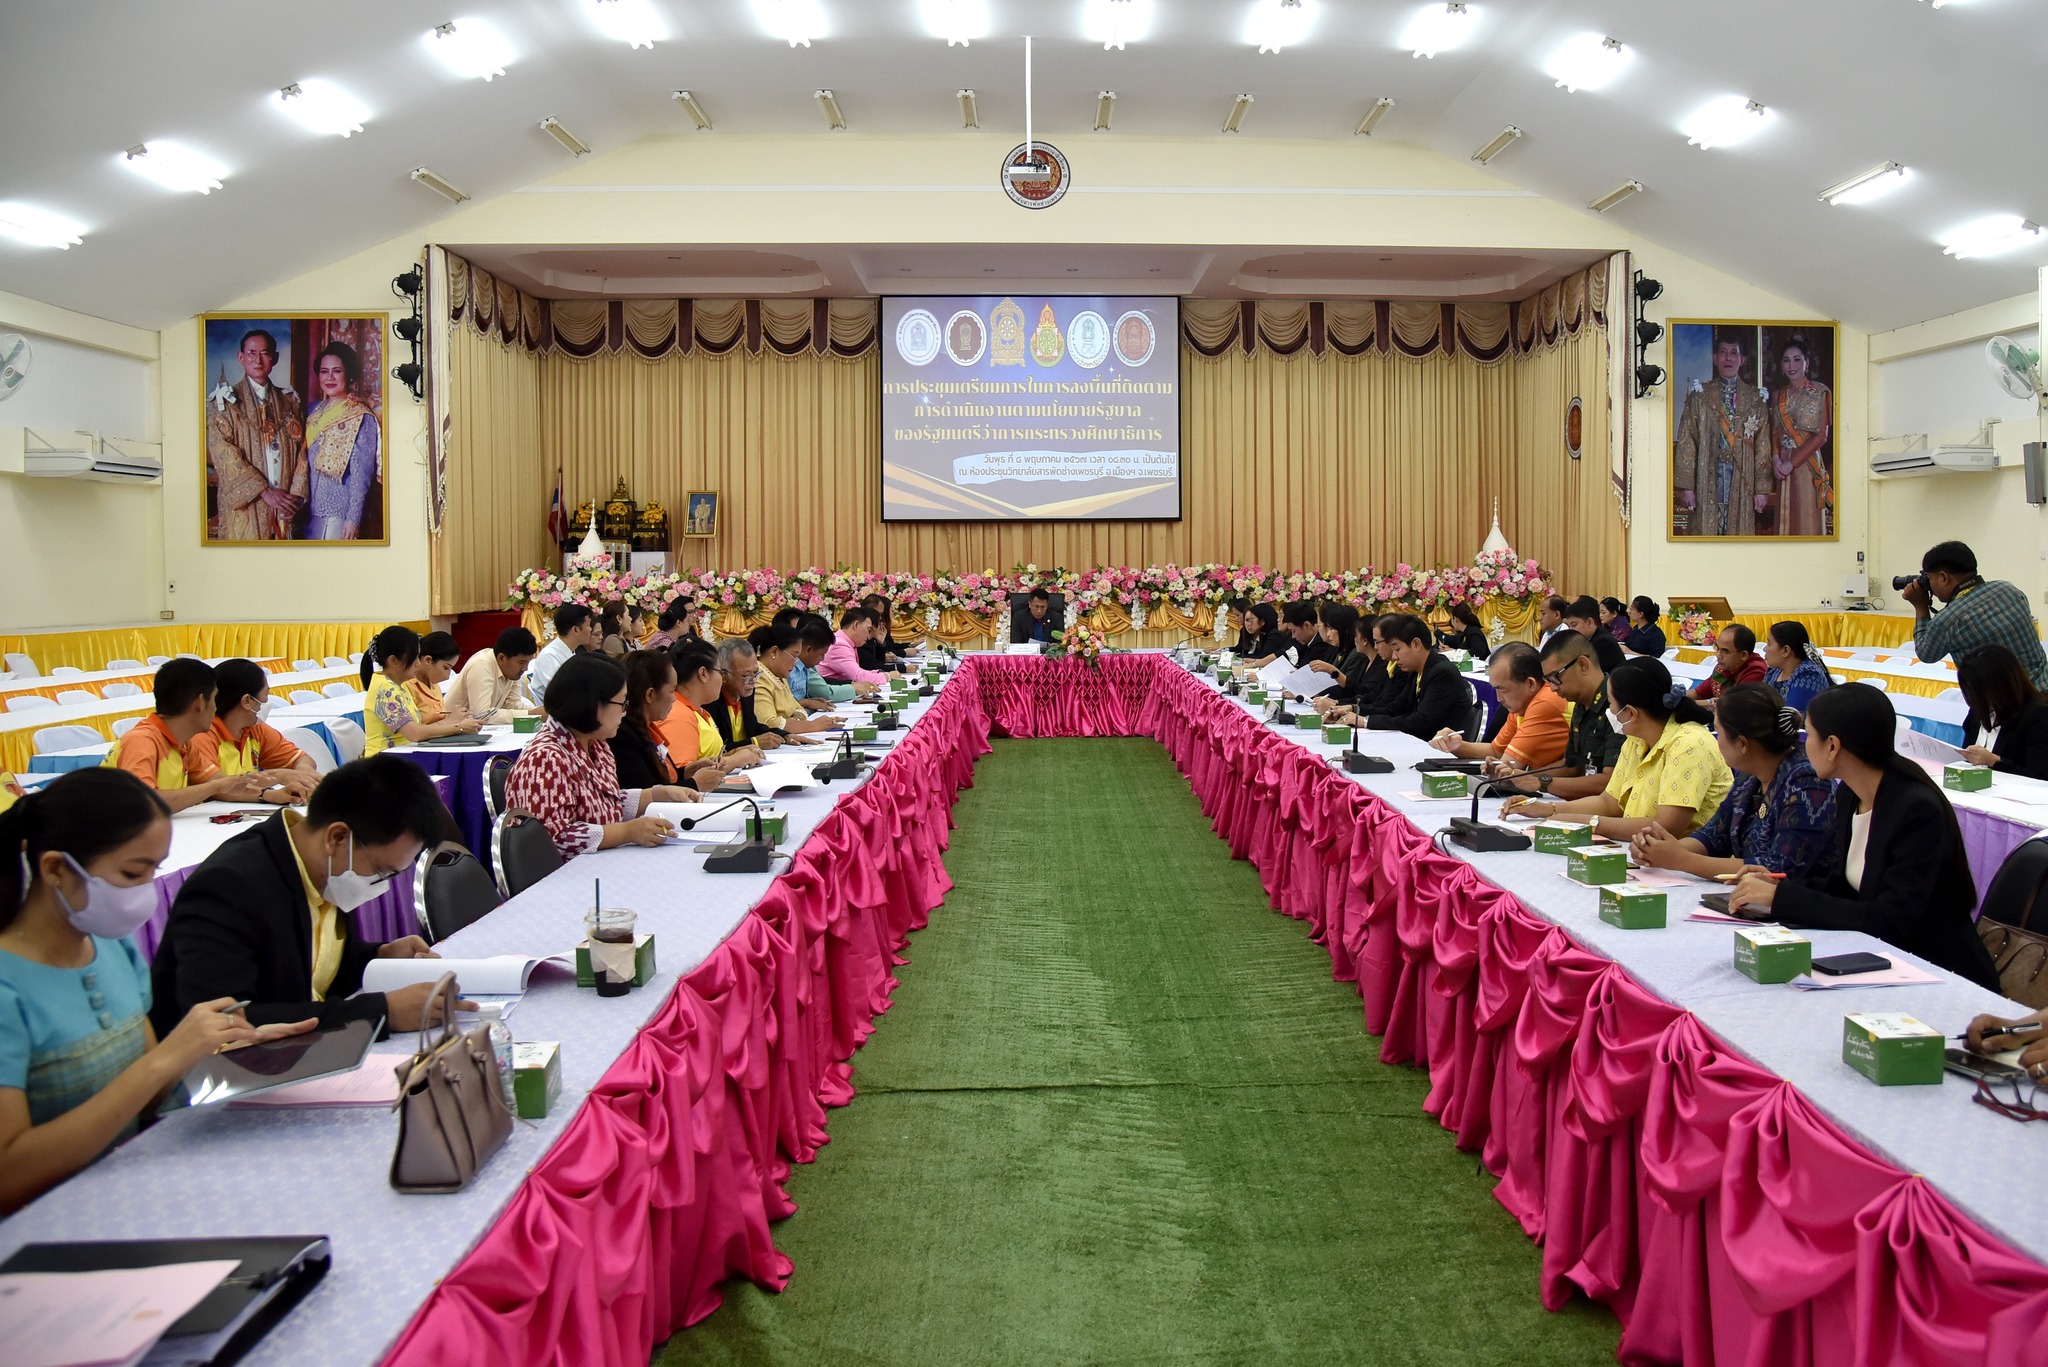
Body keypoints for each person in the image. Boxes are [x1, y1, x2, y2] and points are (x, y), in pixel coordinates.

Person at [0, 770, 316, 1213]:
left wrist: (236, 1053)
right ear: (55, 869)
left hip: (126, 1194)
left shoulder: (110, 947)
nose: (146, 891)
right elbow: (9, 1176)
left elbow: (151, 1097)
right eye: (133, 873)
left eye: (154, 870)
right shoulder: (9, 985)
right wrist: (168, 1058)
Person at [151, 756, 463, 1038]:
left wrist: (378, 956)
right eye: (382, 871)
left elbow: (308, 970)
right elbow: (224, 1022)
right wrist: (382, 1012)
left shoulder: (323, 870)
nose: (381, 885)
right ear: (337, 837)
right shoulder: (230, 887)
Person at [1731, 683, 2000, 991]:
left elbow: (1890, 920)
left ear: (1832, 746)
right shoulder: (1850, 794)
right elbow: (1846, 886)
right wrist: (1778, 886)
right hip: (1885, 958)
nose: (1805, 745)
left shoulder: (1916, 809)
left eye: (1810, 735)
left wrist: (1783, 898)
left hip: (1938, 970)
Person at [1505, 655, 1730, 838]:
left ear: (1630, 712)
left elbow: (1666, 828)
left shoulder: (1690, 744)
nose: (1609, 712)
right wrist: (1548, 809)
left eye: (1611, 704)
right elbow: (1609, 802)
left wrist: (1584, 823)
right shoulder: (1636, 740)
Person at [1631, 683, 1837, 879]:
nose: (1716, 740)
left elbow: (1778, 869)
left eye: (1718, 732)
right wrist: (1657, 849)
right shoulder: (1749, 775)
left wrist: (1681, 860)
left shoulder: (1808, 783)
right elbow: (1713, 836)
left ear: (1741, 744)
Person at [502, 653, 697, 860]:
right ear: (592, 704)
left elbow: (605, 803)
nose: (625, 712)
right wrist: (626, 832)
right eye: (622, 703)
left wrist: (657, 794)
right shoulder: (544, 759)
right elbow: (552, 839)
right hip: (564, 873)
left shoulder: (596, 744)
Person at [104, 658, 266, 812]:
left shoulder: (185, 742)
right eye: (214, 699)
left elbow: (220, 782)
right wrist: (215, 787)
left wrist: (268, 794)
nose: (216, 708)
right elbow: (145, 803)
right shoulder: (142, 741)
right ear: (200, 703)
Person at [1500, 631, 1627, 804]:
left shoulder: (1617, 705)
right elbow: (1571, 766)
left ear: (1583, 665)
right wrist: (1518, 777)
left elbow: (1609, 782)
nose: (1553, 688)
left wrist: (1543, 782)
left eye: (1556, 677)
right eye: (1548, 680)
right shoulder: (1580, 705)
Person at [1904, 540, 2048, 691]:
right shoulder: (2008, 589)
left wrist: (1921, 607)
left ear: (1943, 577)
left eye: (1929, 579)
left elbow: (1926, 654)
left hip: (2007, 702)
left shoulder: (1947, 620)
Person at [206, 327, 306, 541]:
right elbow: (224, 455)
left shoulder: (290, 403)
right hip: (248, 509)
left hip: (284, 510)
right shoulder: (223, 404)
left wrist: (295, 499)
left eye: (264, 353)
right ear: (241, 357)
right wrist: (265, 492)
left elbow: (303, 453)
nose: (258, 360)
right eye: (251, 353)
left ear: (275, 358)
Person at [1674, 328, 1774, 537]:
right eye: (1723, 352)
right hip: (1706, 479)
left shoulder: (1755, 399)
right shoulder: (1700, 396)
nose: (1728, 358)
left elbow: (1763, 447)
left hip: (1742, 481)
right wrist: (1687, 487)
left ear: (1742, 359)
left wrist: (1761, 489)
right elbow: (1687, 442)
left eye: (1733, 353)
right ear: (1715, 358)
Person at [184, 658, 318, 801]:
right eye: (266, 694)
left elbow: (301, 759)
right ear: (247, 700)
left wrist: (305, 775)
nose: (267, 701)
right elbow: (217, 786)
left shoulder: (255, 728)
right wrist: (275, 781)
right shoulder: (202, 734)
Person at [1428, 641, 1568, 774]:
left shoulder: (1544, 703)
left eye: (1503, 690)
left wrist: (1494, 767)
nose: (1498, 699)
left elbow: (1506, 768)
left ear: (1530, 684)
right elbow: (1495, 751)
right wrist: (1455, 745)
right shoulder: (1523, 704)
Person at [652, 641, 762, 792]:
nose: (723, 679)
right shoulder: (678, 715)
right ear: (703, 674)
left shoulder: (696, 710)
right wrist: (734, 760)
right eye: (720, 672)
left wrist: (733, 753)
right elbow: (681, 778)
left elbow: (702, 759)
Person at [359, 625, 479, 756]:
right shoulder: (386, 689)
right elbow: (414, 734)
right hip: (383, 760)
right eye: (413, 658)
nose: (418, 663)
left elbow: (418, 730)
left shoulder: (396, 685)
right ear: (393, 661)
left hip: (400, 754)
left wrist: (455, 723)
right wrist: (459, 728)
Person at [303, 340, 379, 541]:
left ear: (349, 374)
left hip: (339, 514)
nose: (329, 378)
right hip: (308, 511)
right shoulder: (313, 411)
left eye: (336, 371)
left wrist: (353, 519)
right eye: (324, 371)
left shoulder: (360, 415)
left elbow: (361, 474)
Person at [1362, 614, 1470, 740]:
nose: (1395, 657)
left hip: (1440, 746)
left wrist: (1366, 722)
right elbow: (1396, 708)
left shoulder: (1442, 673)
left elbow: (1421, 722)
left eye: (1397, 649)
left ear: (1416, 644)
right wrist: (1358, 713)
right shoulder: (1416, 670)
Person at [1771, 335, 1833, 538]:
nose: (1792, 365)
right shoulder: (1777, 396)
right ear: (1781, 365)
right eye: (1786, 360)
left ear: (1806, 362)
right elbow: (1774, 433)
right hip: (1782, 467)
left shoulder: (1820, 392)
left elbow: (1821, 436)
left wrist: (1792, 463)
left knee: (1806, 522)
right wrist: (1775, 459)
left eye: (1797, 359)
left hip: (1806, 466)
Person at [1957, 644, 2048, 780]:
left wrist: (1995, 762)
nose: (1974, 697)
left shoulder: (2037, 717)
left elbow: (2040, 776)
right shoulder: (1977, 713)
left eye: (1979, 690)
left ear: (2000, 686)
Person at [607, 649, 683, 788]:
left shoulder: (646, 728)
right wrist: (696, 783)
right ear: (650, 694)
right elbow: (647, 791)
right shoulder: (623, 736)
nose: (674, 699)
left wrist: (690, 771)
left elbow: (666, 780)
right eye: (672, 691)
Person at [753, 623, 843, 735]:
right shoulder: (758, 678)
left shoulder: (779, 677)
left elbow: (799, 709)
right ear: (774, 651)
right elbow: (770, 725)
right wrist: (814, 725)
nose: (796, 663)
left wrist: (793, 721)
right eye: (794, 656)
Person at [706, 638, 787, 751]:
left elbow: (753, 727)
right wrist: (754, 742)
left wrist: (785, 735)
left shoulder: (746, 692)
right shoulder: (710, 700)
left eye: (756, 673)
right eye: (746, 676)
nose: (753, 681)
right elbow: (717, 749)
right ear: (723, 675)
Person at [445, 627, 538, 719]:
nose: (525, 668)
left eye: (528, 662)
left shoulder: (511, 671)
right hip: (449, 724)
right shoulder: (481, 665)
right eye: (521, 662)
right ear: (502, 658)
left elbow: (513, 705)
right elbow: (481, 714)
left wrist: (538, 712)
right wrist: (531, 713)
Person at [524, 604, 601, 706]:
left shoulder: (572, 652)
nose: (591, 630)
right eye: (589, 625)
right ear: (575, 629)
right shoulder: (549, 656)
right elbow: (561, 694)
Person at [795, 615, 876, 706]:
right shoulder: (795, 666)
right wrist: (853, 688)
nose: (823, 659)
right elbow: (825, 693)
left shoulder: (806, 664)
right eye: (822, 654)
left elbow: (824, 683)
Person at [1762, 620, 1834, 716]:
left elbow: (1790, 719)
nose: (1764, 649)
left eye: (1769, 644)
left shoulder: (1809, 675)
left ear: (1785, 650)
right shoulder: (1775, 671)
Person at [1688, 624, 1767, 706]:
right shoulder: (1726, 667)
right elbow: (1698, 693)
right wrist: (1679, 697)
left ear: (1743, 655)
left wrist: (1690, 704)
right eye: (1717, 648)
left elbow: (1732, 706)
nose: (1718, 655)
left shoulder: (1756, 671)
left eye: (1725, 651)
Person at [404, 631, 461, 724]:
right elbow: (413, 730)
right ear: (428, 660)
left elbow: (439, 717)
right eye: (446, 668)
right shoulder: (405, 685)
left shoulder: (433, 683)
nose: (447, 676)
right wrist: (453, 723)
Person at [821, 608, 889, 685]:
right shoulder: (839, 645)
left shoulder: (846, 642)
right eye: (868, 630)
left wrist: (879, 673)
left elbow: (858, 672)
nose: (868, 636)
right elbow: (858, 677)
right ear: (856, 625)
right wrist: (887, 676)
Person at [1564, 596, 1625, 674]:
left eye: (1574, 625)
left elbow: (1587, 673)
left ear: (1590, 622)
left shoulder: (1603, 642)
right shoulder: (1589, 637)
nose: (1570, 630)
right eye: (1569, 626)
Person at [860, 593, 913, 672]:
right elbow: (870, 667)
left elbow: (879, 662)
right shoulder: (860, 635)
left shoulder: (875, 631)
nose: (880, 618)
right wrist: (902, 668)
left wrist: (881, 644)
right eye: (879, 614)